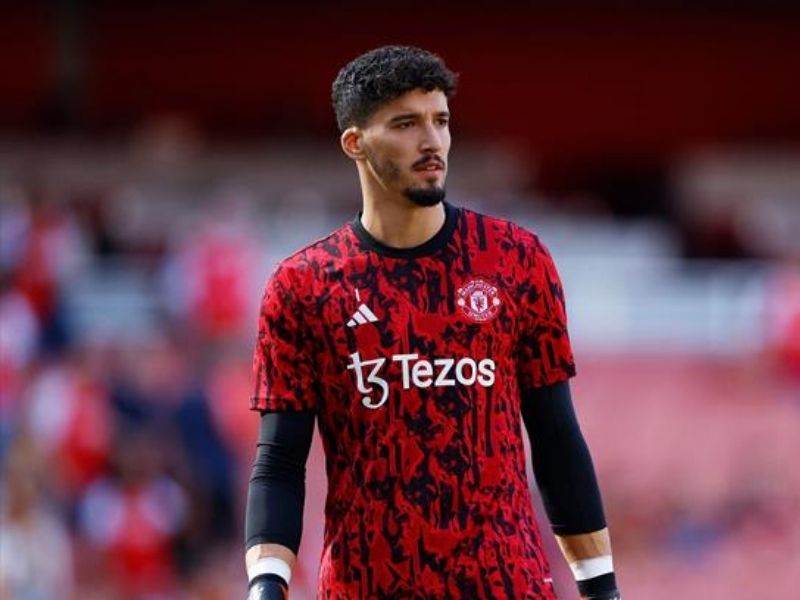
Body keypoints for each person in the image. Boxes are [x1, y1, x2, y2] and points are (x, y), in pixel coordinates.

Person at [244, 45, 621, 600]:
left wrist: (601, 588)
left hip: (505, 586)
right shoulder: (303, 285)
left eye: (440, 121)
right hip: (365, 588)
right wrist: (266, 584)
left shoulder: (515, 259)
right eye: (406, 124)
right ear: (355, 143)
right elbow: (280, 459)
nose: (432, 142)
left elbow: (556, 437)